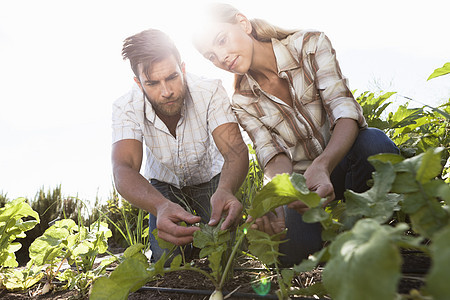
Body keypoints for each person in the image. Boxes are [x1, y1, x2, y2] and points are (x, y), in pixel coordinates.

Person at [193, 3, 399, 266]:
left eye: (221, 40)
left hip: (344, 161)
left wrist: (323, 164)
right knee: (288, 254)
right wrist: (277, 199)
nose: (221, 58)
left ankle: (359, 238)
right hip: (305, 187)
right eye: (211, 56)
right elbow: (272, 156)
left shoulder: (309, 44)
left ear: (243, 23)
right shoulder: (241, 101)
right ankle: (327, 242)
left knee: (375, 144)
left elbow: (345, 112)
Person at [112, 28, 249, 262]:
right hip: (163, 187)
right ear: (138, 83)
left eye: (172, 77)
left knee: (228, 252)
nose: (166, 91)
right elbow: (123, 168)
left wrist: (225, 190)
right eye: (153, 83)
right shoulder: (126, 107)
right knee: (167, 261)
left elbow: (235, 150)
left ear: (182, 69)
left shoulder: (210, 91)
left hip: (212, 180)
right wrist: (160, 206)